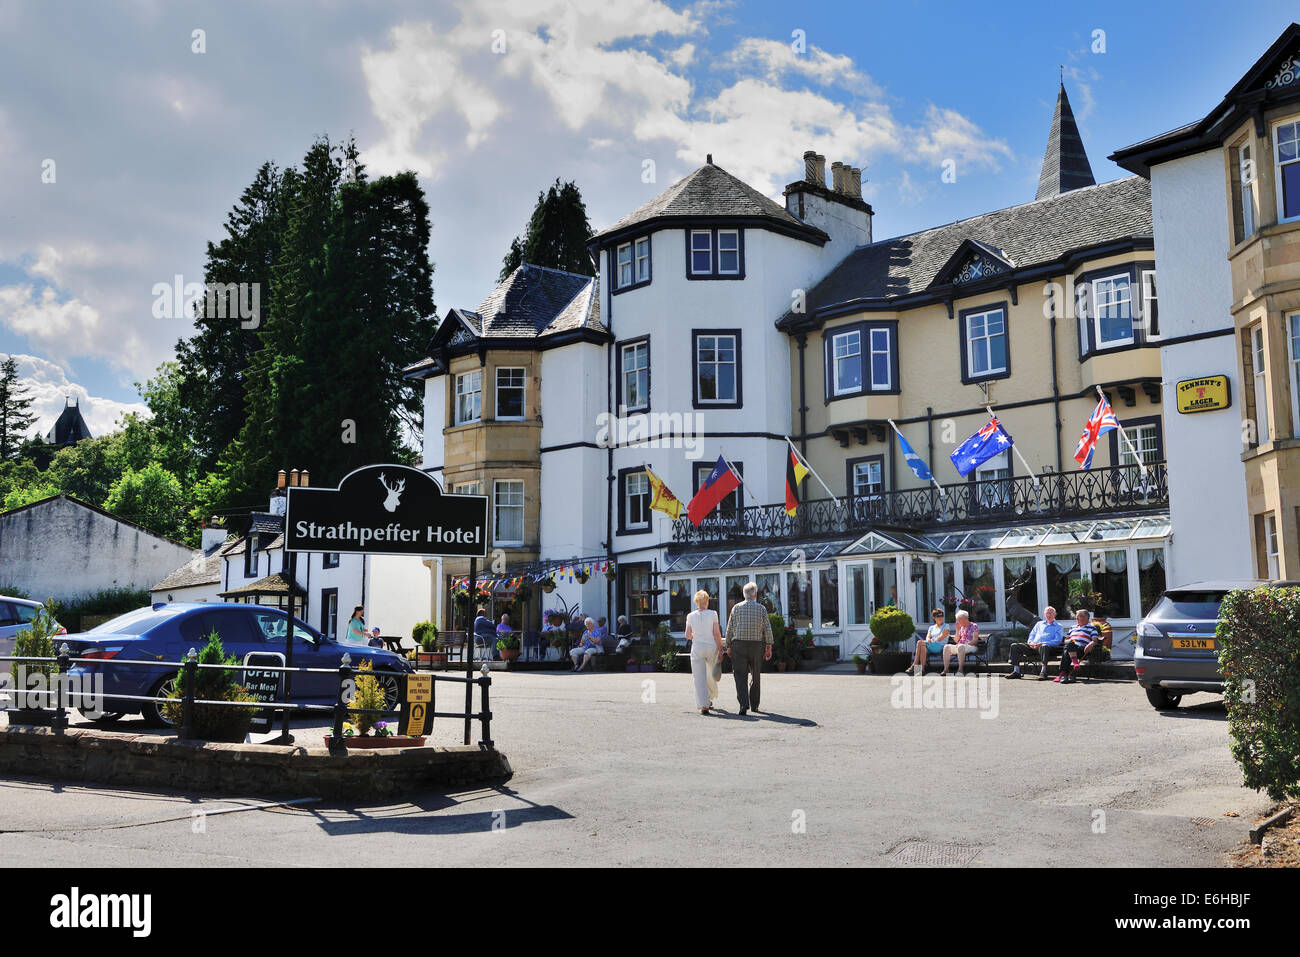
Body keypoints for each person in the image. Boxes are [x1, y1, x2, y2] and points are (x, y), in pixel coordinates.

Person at [723, 582, 773, 716]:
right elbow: (767, 628)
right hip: (757, 645)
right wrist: (769, 646)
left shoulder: (736, 608)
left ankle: (743, 704)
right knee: (756, 675)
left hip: (739, 645)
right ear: (755, 594)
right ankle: (755, 705)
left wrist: (728, 645)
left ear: (744, 595)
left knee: (740, 675)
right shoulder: (761, 608)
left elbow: (730, 628)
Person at [685, 590, 723, 714]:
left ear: (696, 602)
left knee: (699, 677)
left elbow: (687, 635)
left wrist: (694, 634)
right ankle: (710, 697)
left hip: (697, 647)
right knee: (711, 674)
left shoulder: (690, 616)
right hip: (711, 646)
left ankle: (704, 705)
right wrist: (721, 649)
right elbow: (717, 633)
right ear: (707, 602)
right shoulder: (713, 614)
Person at [1005, 606, 1066, 679]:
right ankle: (1016, 671)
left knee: (1044, 646)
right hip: (1033, 646)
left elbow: (1057, 640)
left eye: (1051, 613)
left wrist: (1042, 643)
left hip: (1047, 648)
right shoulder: (1039, 624)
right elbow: (1032, 635)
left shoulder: (1059, 626)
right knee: (1014, 646)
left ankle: (1043, 672)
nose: (1049, 615)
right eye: (1047, 613)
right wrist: (1031, 643)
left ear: (1055, 614)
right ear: (1044, 614)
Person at [1057, 609, 1099, 684]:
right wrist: (1068, 642)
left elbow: (1095, 640)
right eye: (1076, 616)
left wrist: (1090, 644)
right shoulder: (1072, 627)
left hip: (1082, 650)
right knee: (1069, 644)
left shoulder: (1091, 628)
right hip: (1070, 648)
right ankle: (1072, 672)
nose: (1076, 618)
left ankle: (1064, 674)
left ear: (1086, 618)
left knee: (1067, 649)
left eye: (1079, 616)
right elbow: (1066, 639)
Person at [906, 609, 951, 676]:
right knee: (922, 647)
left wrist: (931, 641)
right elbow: (928, 636)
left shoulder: (946, 626)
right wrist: (928, 640)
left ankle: (914, 664)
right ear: (934, 617)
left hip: (940, 646)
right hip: (930, 646)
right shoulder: (931, 627)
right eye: (938, 616)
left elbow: (941, 638)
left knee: (920, 642)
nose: (940, 618)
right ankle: (922, 670)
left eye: (942, 616)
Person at [941, 609, 980, 676]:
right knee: (946, 647)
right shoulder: (961, 627)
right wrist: (957, 630)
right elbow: (956, 641)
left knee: (961, 646)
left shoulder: (974, 626)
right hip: (960, 646)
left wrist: (964, 644)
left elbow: (975, 640)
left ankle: (960, 670)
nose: (958, 622)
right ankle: (946, 669)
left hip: (971, 646)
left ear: (965, 618)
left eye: (959, 619)